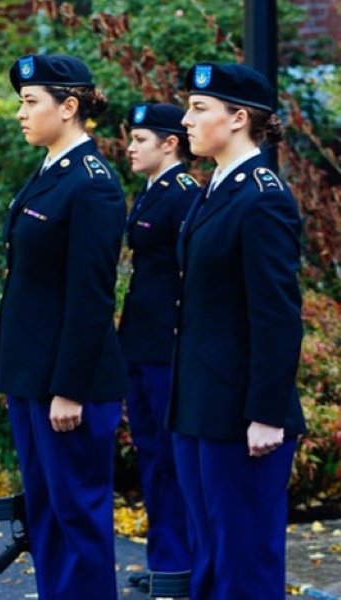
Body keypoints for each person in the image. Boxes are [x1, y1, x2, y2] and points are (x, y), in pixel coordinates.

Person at [0, 54, 127, 600]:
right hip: (33, 379)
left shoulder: (92, 184)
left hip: (69, 387)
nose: (21, 113)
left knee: (77, 517)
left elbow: (90, 297)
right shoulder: (50, 172)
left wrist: (67, 388)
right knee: (45, 513)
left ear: (69, 107)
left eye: (31, 102)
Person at [170, 62, 306, 599]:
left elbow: (275, 316)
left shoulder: (263, 197)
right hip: (200, 406)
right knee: (210, 555)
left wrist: (266, 413)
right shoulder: (216, 189)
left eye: (200, 109)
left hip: (241, 417)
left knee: (244, 560)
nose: (186, 119)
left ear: (239, 118)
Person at [118, 102, 199, 598]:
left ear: (170, 144)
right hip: (141, 343)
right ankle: (165, 559)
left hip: (168, 344)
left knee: (173, 457)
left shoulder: (184, 194)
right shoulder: (150, 194)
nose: (130, 147)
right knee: (152, 454)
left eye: (141, 140)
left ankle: (182, 562)